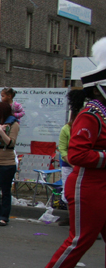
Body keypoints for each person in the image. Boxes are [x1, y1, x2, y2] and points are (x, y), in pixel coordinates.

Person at [31, 38, 106, 268]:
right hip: (88, 185)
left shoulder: (103, 114)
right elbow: (76, 154)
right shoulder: (91, 115)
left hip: (101, 184)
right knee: (81, 238)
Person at [0, 101, 20, 226]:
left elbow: (10, 143)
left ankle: (4, 216)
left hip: (7, 161)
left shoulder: (14, 124)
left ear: (3, 111)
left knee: (5, 191)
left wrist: (1, 132)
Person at [57, 90, 87, 222]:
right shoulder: (66, 129)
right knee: (69, 192)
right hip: (69, 165)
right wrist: (71, 161)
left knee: (85, 194)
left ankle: (87, 221)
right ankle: (72, 218)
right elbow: (62, 149)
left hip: (83, 165)